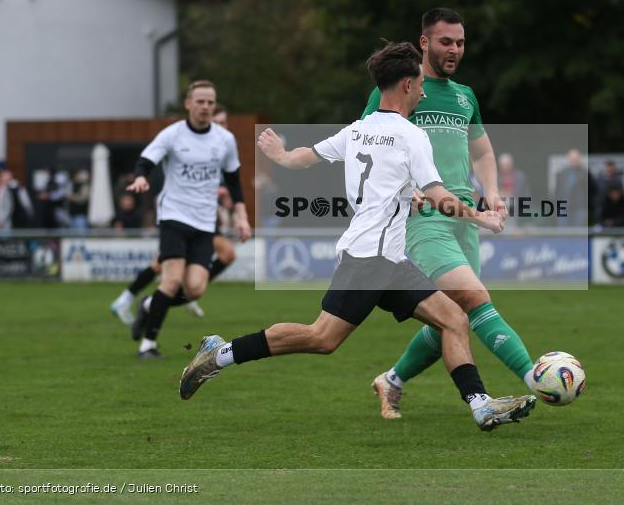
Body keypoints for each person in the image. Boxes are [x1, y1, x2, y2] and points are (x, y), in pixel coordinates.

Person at [179, 42, 537, 431]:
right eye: (418, 84)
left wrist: (279, 154)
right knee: (321, 337)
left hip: (388, 259)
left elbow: (305, 157)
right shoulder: (410, 135)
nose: (422, 90)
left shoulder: (358, 130)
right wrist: (482, 219)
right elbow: (438, 195)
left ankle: (481, 405)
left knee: (453, 319)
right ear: (405, 84)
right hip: (370, 259)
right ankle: (220, 353)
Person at [360, 8, 538, 420]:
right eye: (445, 41)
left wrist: (491, 194)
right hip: (422, 220)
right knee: (475, 301)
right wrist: (406, 190)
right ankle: (538, 378)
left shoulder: (465, 95)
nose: (454, 49)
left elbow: (482, 150)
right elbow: (367, 148)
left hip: (464, 219)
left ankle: (392, 380)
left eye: (459, 42)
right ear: (425, 43)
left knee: (452, 314)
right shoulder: (400, 89)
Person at [124, 80, 251, 358]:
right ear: (188, 104)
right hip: (174, 216)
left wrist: (242, 217)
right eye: (200, 102)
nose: (205, 107)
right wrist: (141, 177)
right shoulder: (173, 134)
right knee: (170, 281)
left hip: (205, 223)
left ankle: (149, 306)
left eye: (210, 102)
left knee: (194, 289)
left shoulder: (224, 140)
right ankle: (148, 344)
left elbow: (234, 182)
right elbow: (146, 159)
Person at [110, 107, 240, 323]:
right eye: (220, 122)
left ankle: (133, 298)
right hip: (181, 214)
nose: (224, 127)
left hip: (202, 216)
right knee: (168, 265)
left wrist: (224, 197)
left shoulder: (221, 145)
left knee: (166, 264)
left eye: (225, 122)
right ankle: (140, 300)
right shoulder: (183, 143)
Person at [553, 149, 588, 228]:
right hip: (563, 208)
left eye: (575, 159)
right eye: (572, 159)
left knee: (578, 234)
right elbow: (557, 191)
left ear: (579, 159)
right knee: (563, 233)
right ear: (569, 159)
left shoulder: (584, 173)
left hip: (579, 208)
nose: (574, 161)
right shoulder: (562, 173)